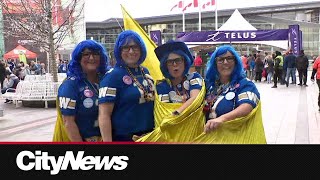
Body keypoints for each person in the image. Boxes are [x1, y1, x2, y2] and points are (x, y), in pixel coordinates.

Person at [98, 30, 155, 142]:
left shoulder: (145, 71)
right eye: (126, 47)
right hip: (125, 138)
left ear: (141, 49)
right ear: (119, 51)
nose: (131, 51)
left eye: (135, 47)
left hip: (150, 135)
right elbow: (104, 115)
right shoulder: (112, 76)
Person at [56, 39, 109, 142]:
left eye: (96, 54)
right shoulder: (70, 85)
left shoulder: (107, 79)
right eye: (86, 54)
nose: (92, 58)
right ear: (78, 58)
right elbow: (68, 122)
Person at [203, 45, 260, 133]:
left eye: (229, 58)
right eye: (220, 60)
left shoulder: (245, 84)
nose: (225, 62)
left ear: (236, 62)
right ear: (215, 64)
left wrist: (222, 119)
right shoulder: (210, 86)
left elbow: (247, 106)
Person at [154, 40, 203, 116]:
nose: (174, 64)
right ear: (165, 66)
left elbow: (195, 99)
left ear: (185, 62)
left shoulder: (194, 77)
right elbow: (164, 110)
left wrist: (178, 112)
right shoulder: (161, 85)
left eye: (178, 60)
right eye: (170, 62)